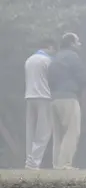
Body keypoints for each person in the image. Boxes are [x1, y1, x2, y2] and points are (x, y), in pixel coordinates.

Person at [49, 32, 86, 170]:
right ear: (72, 43)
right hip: (68, 97)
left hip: (54, 98)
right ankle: (65, 164)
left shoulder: (55, 57)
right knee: (72, 131)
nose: (79, 44)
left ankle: (57, 164)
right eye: (77, 42)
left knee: (58, 134)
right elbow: (81, 74)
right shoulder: (72, 56)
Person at [24, 39, 55, 169]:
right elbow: (52, 78)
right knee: (43, 132)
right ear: (49, 47)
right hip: (44, 96)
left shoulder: (29, 60)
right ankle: (34, 162)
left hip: (30, 96)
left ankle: (29, 159)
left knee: (30, 130)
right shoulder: (47, 61)